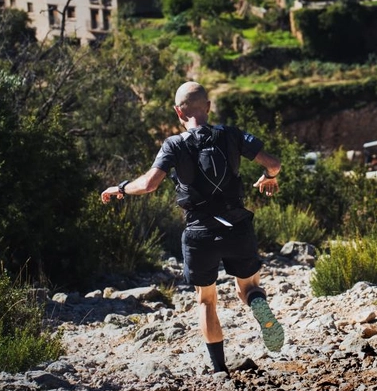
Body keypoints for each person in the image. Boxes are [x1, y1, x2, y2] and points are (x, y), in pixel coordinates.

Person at [100, 82, 285, 373]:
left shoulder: (174, 144)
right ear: (208, 107)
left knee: (206, 301)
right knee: (248, 287)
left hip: (200, 234)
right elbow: (273, 164)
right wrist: (267, 177)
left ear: (178, 112)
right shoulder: (231, 135)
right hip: (237, 226)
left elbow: (149, 185)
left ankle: (220, 370)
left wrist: (121, 188)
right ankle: (258, 306)